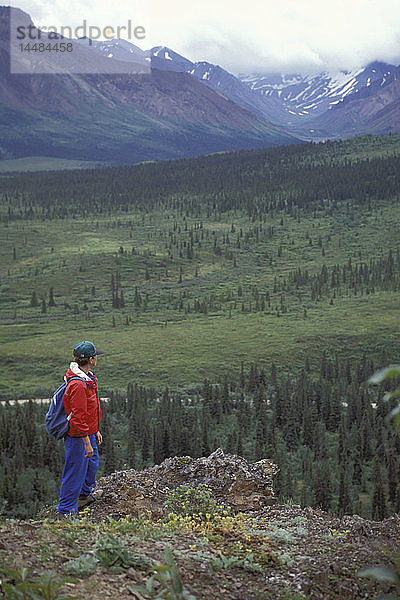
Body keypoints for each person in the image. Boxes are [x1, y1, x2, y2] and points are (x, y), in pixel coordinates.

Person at [57, 340, 104, 516]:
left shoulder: (89, 378)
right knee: (75, 472)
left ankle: (84, 496)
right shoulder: (78, 384)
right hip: (78, 437)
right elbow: (77, 417)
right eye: (95, 356)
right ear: (91, 359)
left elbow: (87, 411)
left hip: (88, 432)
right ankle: (66, 512)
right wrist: (86, 441)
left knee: (91, 465)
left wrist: (95, 430)